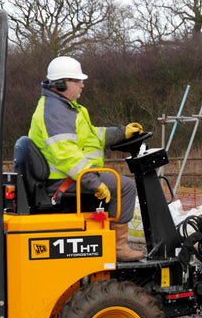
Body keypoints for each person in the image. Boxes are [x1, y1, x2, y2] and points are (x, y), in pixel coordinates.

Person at [28, 55, 144, 261]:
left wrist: (122, 132)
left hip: (72, 176)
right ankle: (119, 247)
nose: (82, 85)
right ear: (62, 83)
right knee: (125, 186)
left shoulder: (65, 108)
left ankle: (109, 238)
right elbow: (67, 155)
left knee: (119, 184)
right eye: (77, 80)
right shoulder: (55, 113)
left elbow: (92, 137)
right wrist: (93, 182)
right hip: (63, 181)